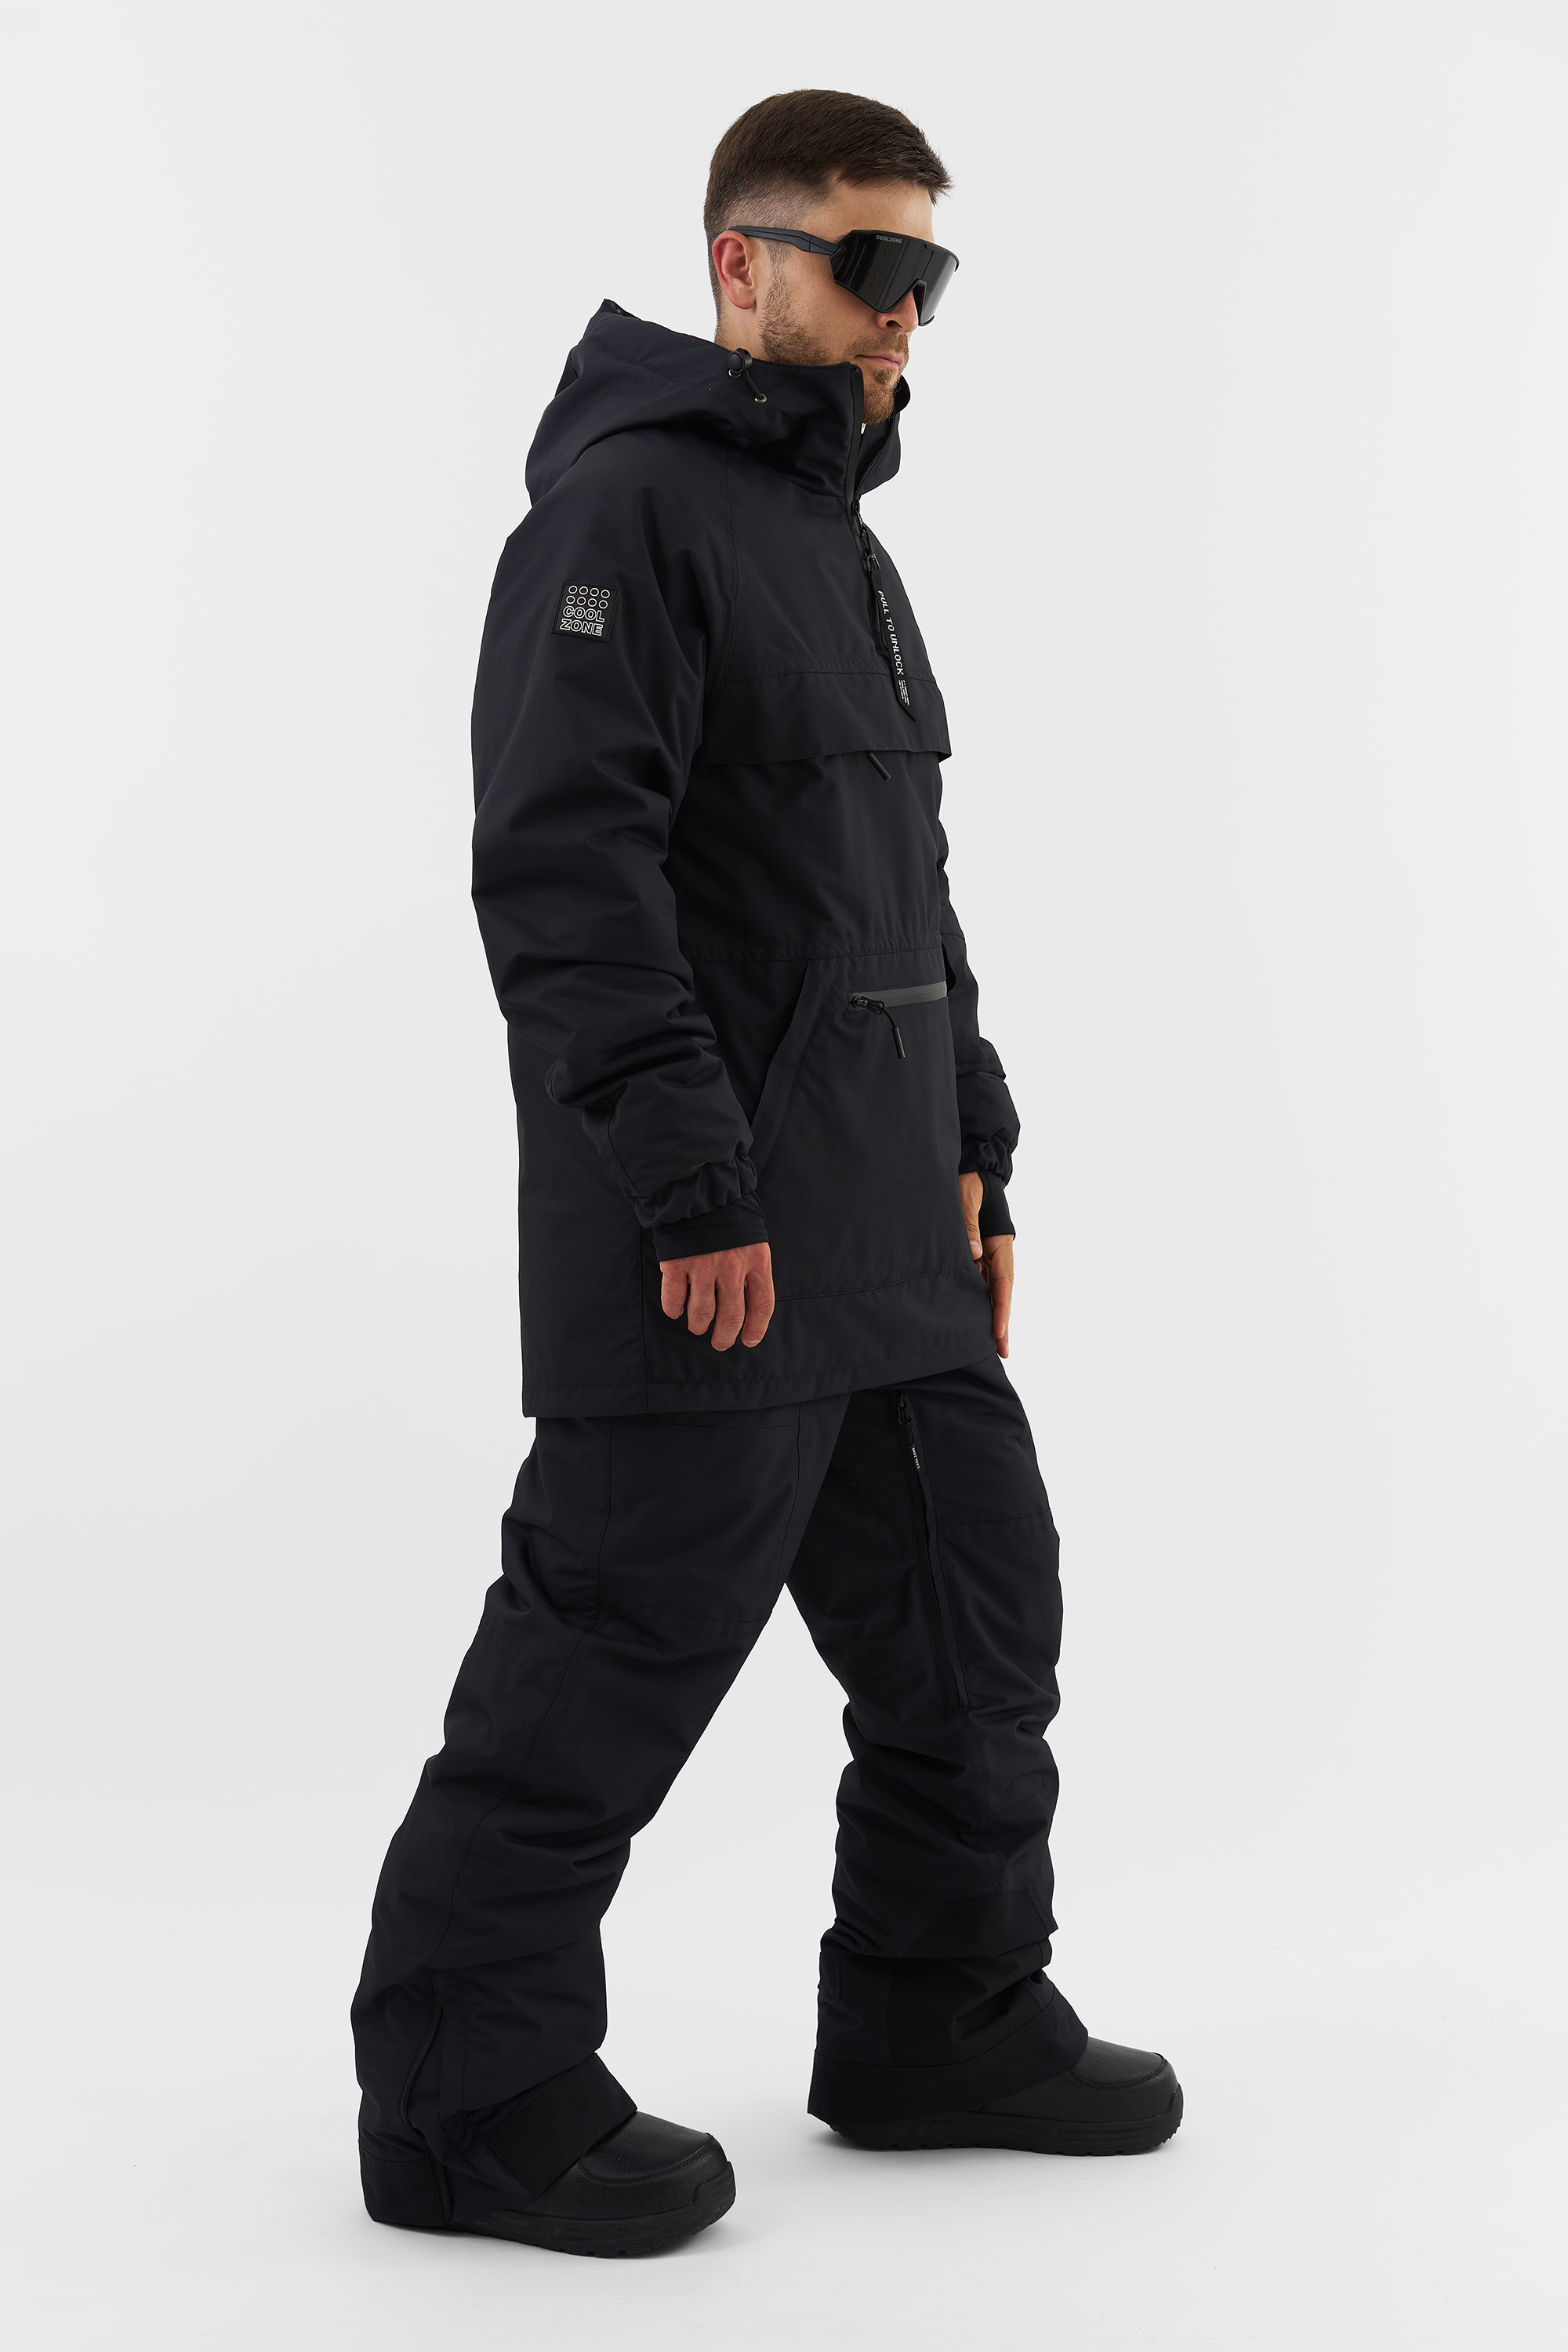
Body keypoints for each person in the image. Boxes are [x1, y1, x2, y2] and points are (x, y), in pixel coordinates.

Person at [351, 87, 1181, 2259]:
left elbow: (901, 892)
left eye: (932, 275)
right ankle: (459, 2097)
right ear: (743, 266)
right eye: (871, 265)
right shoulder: (623, 518)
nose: (907, 312)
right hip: (715, 1237)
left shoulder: (841, 544)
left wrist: (978, 1155)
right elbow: (564, 880)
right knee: (608, 1660)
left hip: (889, 1230)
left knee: (978, 1624)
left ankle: (937, 2016)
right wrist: (691, 1186)